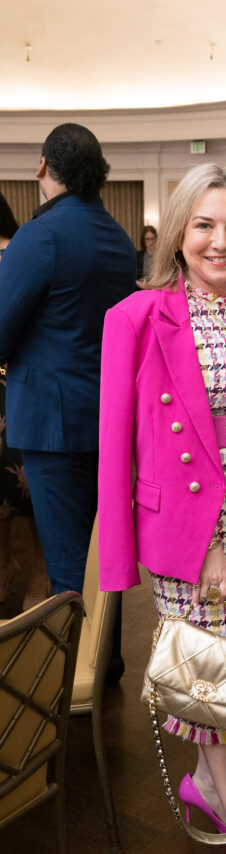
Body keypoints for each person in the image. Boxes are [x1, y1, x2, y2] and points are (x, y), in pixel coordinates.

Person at [98, 163, 226, 854]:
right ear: (177, 231)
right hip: (195, 530)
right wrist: (178, 549)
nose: (220, 240)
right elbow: (119, 444)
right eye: (204, 225)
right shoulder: (140, 314)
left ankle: (210, 787)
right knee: (223, 693)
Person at [0, 123, 136, 596]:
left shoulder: (40, 235)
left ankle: (75, 670)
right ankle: (108, 663)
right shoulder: (119, 239)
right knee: (106, 558)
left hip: (50, 425)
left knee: (66, 564)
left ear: (42, 166)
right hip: (108, 418)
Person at [0, 193, 51, 610]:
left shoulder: (18, 250)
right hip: (15, 383)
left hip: (13, 383)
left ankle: (30, 569)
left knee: (26, 484)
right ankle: (21, 569)